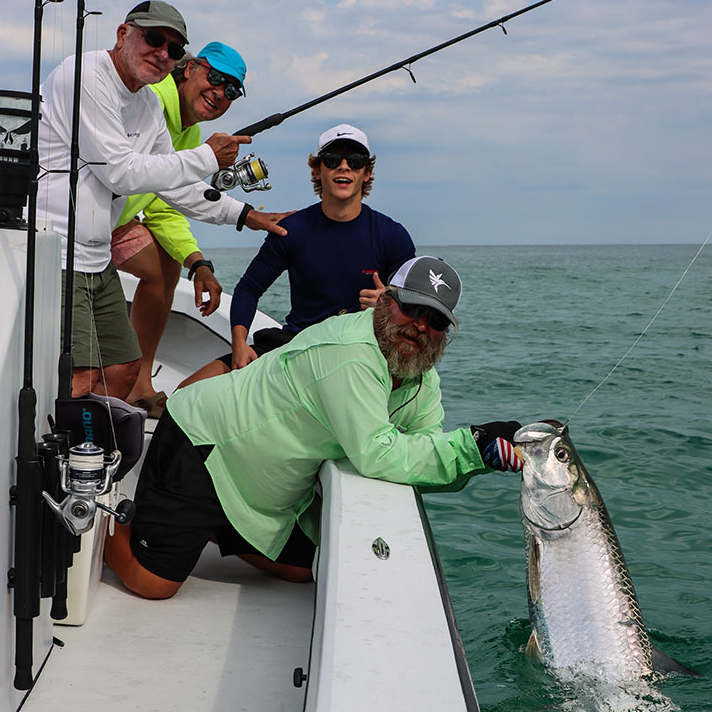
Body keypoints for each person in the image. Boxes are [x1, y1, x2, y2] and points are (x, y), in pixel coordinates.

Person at [104, 255, 523, 599]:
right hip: (204, 445)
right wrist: (472, 445)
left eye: (436, 320)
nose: (420, 325)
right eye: (411, 308)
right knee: (152, 584)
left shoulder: (422, 377)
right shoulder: (351, 354)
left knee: (302, 569)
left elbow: (425, 453)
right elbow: (378, 454)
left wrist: (479, 455)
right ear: (384, 302)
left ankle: (210, 525)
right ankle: (105, 521)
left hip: (257, 484)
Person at [36, 0, 288, 401]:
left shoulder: (147, 102)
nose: (162, 53)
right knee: (80, 378)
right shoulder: (85, 75)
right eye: (154, 39)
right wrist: (208, 156)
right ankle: (58, 456)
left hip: (96, 252)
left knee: (122, 368)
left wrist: (244, 214)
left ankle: (97, 447)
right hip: (57, 251)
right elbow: (121, 171)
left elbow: (171, 189)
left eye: (173, 48)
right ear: (122, 34)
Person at [179, 123, 415, 385]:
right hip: (297, 344)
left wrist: (387, 306)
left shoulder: (392, 236)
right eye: (333, 159)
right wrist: (239, 344)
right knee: (186, 391)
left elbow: (416, 309)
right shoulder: (291, 230)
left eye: (356, 161)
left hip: (361, 352)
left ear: (367, 173)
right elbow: (249, 288)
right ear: (317, 170)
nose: (344, 166)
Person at [110, 41, 253, 415]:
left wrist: (197, 263)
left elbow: (162, 205)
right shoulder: (150, 99)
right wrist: (246, 215)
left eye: (232, 90)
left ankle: (139, 384)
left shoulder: (188, 133)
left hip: (115, 222)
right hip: (74, 225)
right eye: (216, 78)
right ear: (189, 69)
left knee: (165, 265)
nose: (220, 93)